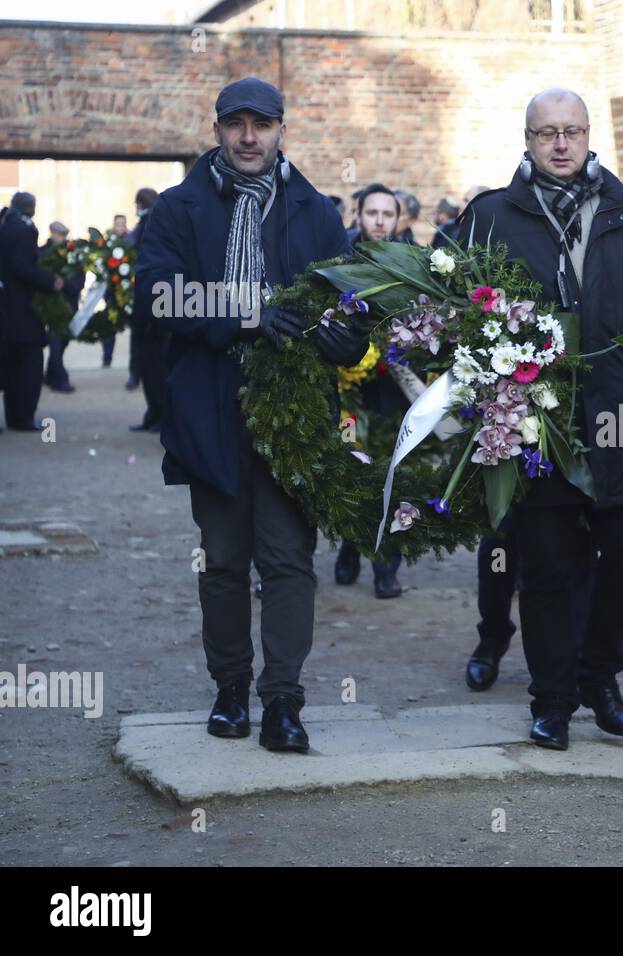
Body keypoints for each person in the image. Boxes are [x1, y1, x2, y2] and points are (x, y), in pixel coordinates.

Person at [136, 77, 369, 752]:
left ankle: (283, 702)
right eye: (235, 124)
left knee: (290, 560)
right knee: (223, 562)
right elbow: (157, 297)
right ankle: (231, 689)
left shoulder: (315, 211)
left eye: (260, 125)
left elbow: (351, 301)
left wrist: (346, 338)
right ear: (217, 131)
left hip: (294, 417)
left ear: (280, 131)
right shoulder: (180, 208)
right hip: (210, 410)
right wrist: (246, 314)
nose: (248, 137)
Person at [453, 86, 623, 750]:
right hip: (535, 418)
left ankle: (599, 674)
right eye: (548, 133)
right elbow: (459, 310)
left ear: (589, 133)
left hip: (621, 413)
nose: (562, 143)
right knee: (547, 564)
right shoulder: (492, 214)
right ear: (527, 138)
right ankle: (552, 698)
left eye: (572, 130)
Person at [334, 182, 407, 599]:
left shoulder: (414, 265)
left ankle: (386, 566)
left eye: (387, 214)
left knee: (392, 479)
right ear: (358, 215)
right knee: (352, 468)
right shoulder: (340, 261)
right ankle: (349, 544)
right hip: (349, 396)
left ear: (398, 220)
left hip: (394, 395)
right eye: (372, 213)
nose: (379, 221)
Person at [0, 192, 64, 431]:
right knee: (30, 363)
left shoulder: (6, 227)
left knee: (13, 363)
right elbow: (23, 267)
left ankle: (14, 415)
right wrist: (51, 281)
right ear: (31, 208)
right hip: (23, 308)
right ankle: (23, 417)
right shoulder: (24, 230)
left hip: (6, 307)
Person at [125, 187, 159, 402]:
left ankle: (156, 414)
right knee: (146, 357)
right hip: (147, 297)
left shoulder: (151, 222)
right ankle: (153, 413)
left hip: (149, 299)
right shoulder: (148, 222)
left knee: (152, 360)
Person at [41, 220, 82, 394]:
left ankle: (50, 375)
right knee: (56, 341)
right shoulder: (43, 253)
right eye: (59, 235)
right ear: (52, 233)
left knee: (63, 342)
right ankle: (61, 379)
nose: (62, 238)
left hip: (70, 303)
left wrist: (66, 284)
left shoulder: (72, 253)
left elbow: (79, 277)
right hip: (52, 306)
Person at [102, 213, 131, 373]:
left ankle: (135, 366)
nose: (120, 226)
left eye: (122, 223)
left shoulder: (131, 239)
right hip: (111, 291)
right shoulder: (107, 242)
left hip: (128, 291)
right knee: (110, 325)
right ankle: (107, 358)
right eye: (118, 223)